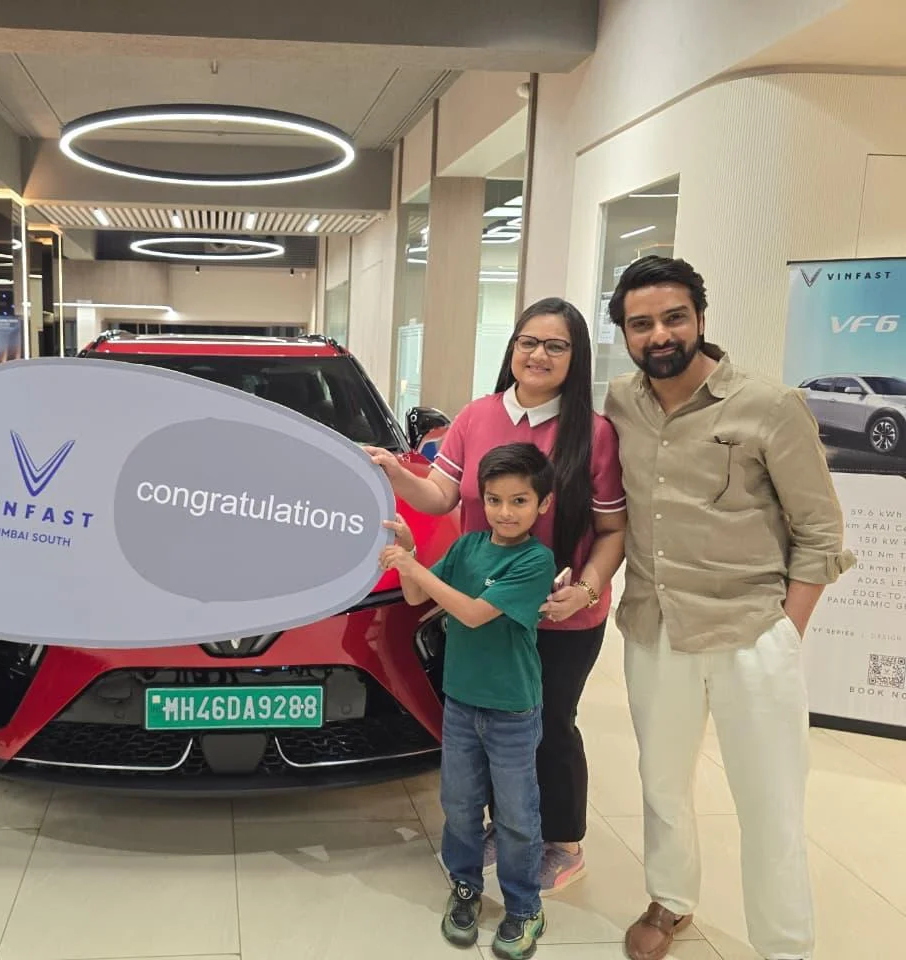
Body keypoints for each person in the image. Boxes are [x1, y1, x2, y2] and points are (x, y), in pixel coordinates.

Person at [603, 255, 855, 960]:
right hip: (654, 626)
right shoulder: (621, 402)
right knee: (661, 783)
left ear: (700, 319)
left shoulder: (770, 405)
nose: (659, 334)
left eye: (673, 317)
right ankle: (670, 898)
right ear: (625, 333)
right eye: (641, 324)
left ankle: (785, 944)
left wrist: (785, 630)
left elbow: (820, 531)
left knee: (770, 799)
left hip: (751, 632)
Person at [366, 297, 627, 892]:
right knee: (487, 727)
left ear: (576, 357)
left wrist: (587, 591)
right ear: (512, 348)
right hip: (481, 611)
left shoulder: (594, 433)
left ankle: (563, 841)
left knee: (550, 725)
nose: (539, 355)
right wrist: (395, 472)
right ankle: (503, 827)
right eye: (528, 342)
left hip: (561, 615)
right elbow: (440, 496)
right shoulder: (476, 416)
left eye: (556, 346)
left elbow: (613, 530)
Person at [381, 442, 557, 959]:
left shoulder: (535, 560)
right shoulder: (467, 547)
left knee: (517, 815)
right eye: (495, 500)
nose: (506, 512)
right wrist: (410, 552)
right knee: (459, 806)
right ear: (482, 500)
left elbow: (473, 613)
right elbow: (417, 598)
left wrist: (416, 569)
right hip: (460, 704)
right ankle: (465, 887)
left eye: (520, 501)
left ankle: (524, 906)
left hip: (512, 710)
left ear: (543, 504)